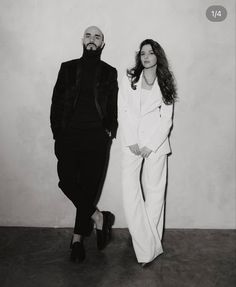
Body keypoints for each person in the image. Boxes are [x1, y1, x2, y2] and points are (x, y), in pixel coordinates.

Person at [50, 26, 118, 262]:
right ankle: (99, 217)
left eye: (97, 37)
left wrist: (110, 130)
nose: (92, 39)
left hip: (97, 139)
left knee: (88, 188)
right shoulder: (67, 68)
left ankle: (77, 240)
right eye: (88, 35)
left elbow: (112, 106)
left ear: (102, 44)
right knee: (66, 182)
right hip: (69, 136)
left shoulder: (110, 72)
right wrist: (57, 132)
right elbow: (56, 101)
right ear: (82, 40)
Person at [118, 39, 177, 267]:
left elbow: (166, 119)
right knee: (130, 192)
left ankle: (147, 248)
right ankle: (147, 244)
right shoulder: (129, 79)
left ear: (157, 56)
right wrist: (132, 140)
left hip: (156, 146)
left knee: (155, 194)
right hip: (130, 144)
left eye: (150, 53)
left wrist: (150, 145)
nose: (146, 56)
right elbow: (122, 110)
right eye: (142, 53)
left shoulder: (166, 81)